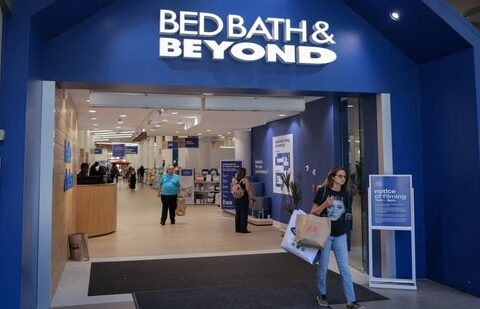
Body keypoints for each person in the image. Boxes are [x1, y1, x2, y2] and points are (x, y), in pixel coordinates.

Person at [310, 166, 364, 309]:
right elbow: (313, 212)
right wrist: (325, 204)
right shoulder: (323, 192)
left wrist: (346, 230)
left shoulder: (347, 195)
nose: (343, 179)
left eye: (344, 177)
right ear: (333, 177)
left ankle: (351, 301)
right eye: (340, 176)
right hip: (325, 236)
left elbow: (347, 214)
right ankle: (322, 294)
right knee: (323, 268)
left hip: (340, 236)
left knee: (345, 269)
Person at [233, 167, 254, 233]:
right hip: (244, 198)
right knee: (244, 214)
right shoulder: (245, 180)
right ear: (244, 173)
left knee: (238, 214)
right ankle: (243, 229)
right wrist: (251, 198)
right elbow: (248, 190)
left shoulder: (235, 180)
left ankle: (237, 229)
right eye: (246, 172)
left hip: (236, 198)